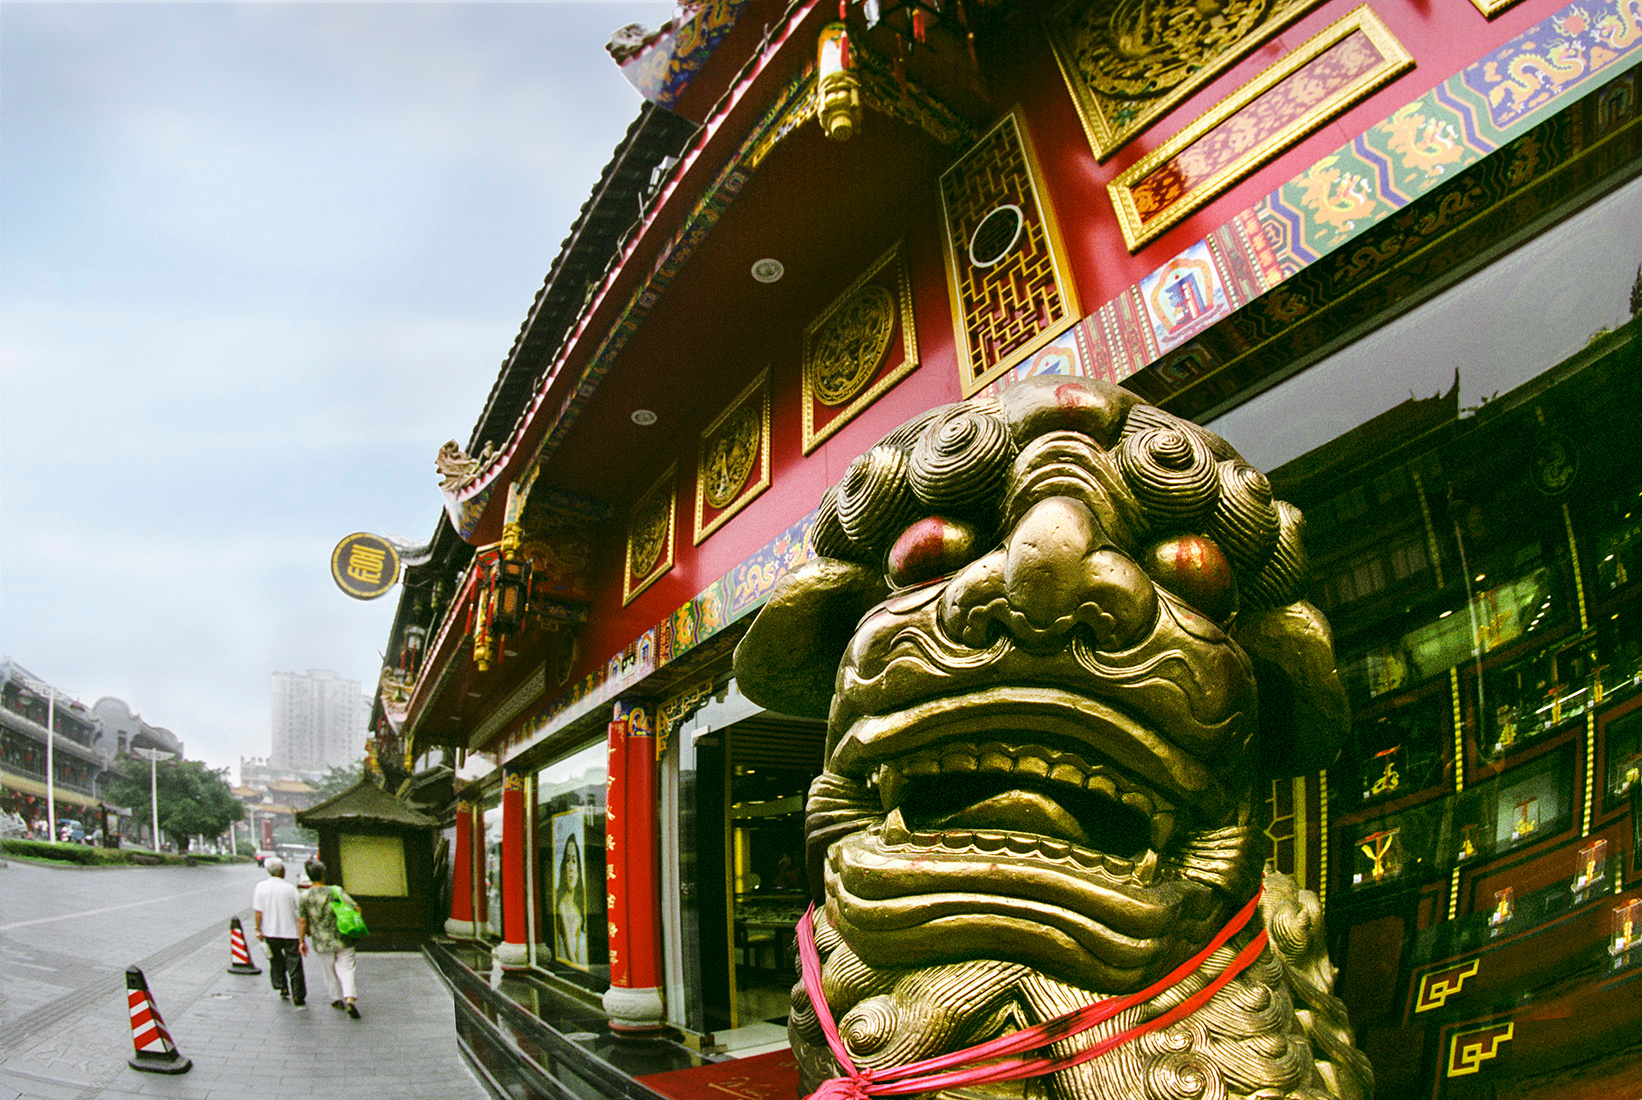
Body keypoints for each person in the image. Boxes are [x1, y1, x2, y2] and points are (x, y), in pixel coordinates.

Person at [298, 859, 362, 1018]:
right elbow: (356, 908)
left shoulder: (304, 896)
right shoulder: (335, 891)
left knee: (329, 970)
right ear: (323, 875)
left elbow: (302, 920)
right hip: (342, 937)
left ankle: (336, 999)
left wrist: (301, 941)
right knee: (347, 969)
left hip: (321, 941)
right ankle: (350, 999)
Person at [252, 857, 307, 1007]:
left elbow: (258, 911)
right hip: (290, 932)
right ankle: (298, 994)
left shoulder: (261, 887)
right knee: (294, 963)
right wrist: (304, 932)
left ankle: (282, 987)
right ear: (282, 871)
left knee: (276, 960)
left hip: (270, 931)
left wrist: (258, 929)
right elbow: (300, 911)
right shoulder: (290, 889)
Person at [554, 834, 586, 966]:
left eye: (574, 860)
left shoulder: (576, 905)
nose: (571, 867)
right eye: (568, 860)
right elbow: (570, 950)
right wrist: (578, 970)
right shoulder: (563, 906)